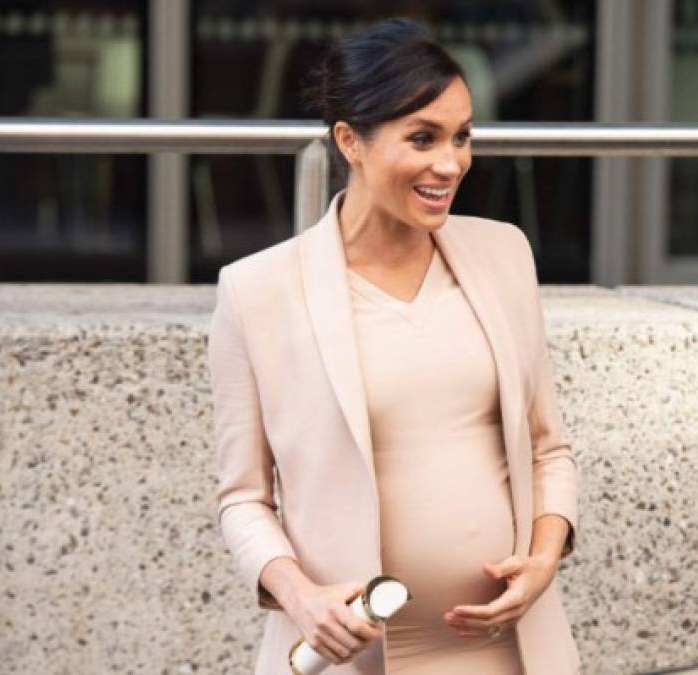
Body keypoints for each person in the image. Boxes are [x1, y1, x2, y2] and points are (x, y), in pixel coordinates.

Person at [207, 17, 580, 675]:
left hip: (506, 652)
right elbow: (243, 498)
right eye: (422, 138)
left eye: (462, 136)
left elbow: (547, 446)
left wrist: (544, 558)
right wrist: (301, 597)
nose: (451, 163)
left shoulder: (504, 254)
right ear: (350, 141)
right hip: (353, 659)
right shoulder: (256, 290)